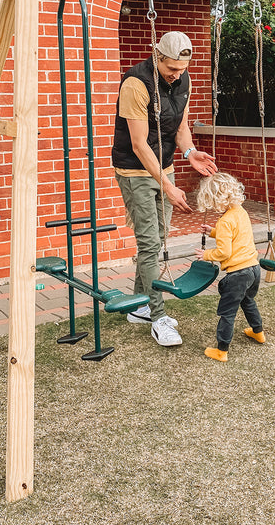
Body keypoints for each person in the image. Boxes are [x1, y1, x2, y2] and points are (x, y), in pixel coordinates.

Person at [112, 31, 217, 347]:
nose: (177, 74)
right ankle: (157, 317)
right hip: (134, 171)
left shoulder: (183, 81)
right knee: (148, 243)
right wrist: (169, 187)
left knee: (157, 240)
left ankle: (137, 306)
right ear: (157, 57)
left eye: (182, 69)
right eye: (171, 69)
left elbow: (180, 127)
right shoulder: (136, 84)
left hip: (165, 167)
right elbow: (139, 144)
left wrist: (189, 153)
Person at [194, 172, 265, 362]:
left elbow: (224, 253)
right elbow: (235, 235)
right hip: (253, 269)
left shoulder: (225, 220)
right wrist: (213, 232)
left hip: (238, 274)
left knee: (227, 313)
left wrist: (206, 255)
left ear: (217, 200)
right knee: (248, 300)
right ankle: (258, 331)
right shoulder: (240, 212)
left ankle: (222, 350)